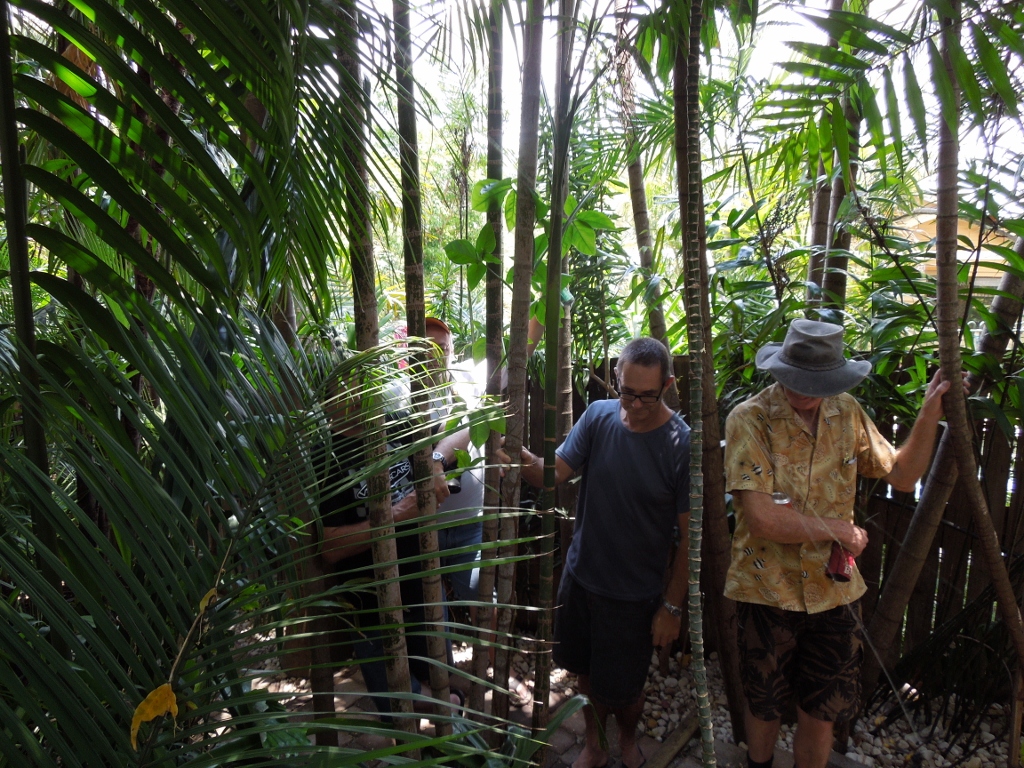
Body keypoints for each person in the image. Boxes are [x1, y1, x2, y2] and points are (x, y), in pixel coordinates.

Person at [723, 319, 962, 768]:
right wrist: (839, 530)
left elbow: (902, 475)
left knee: (823, 708)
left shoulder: (846, 411)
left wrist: (930, 414)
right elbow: (762, 518)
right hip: (766, 589)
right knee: (764, 702)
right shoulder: (749, 419)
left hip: (834, 592)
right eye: (794, 379)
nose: (802, 390)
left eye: (814, 383)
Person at [517, 337, 691, 768]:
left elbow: (691, 538)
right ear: (616, 378)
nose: (635, 405)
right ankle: (595, 746)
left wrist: (671, 607)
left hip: (634, 596)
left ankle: (627, 740)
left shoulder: (681, 444)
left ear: (667, 386)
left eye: (647, 395)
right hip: (582, 578)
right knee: (586, 673)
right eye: (627, 392)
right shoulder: (598, 416)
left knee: (626, 689)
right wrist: (517, 455)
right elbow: (553, 473)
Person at [317, 374, 460, 718]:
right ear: (327, 398)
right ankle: (439, 709)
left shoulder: (397, 423)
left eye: (360, 382)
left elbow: (463, 428)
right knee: (399, 708)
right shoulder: (324, 456)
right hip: (371, 606)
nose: (355, 392)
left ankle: (446, 717)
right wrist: (395, 514)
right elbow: (330, 547)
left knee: (441, 680)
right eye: (345, 384)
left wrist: (435, 462)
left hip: (424, 584)